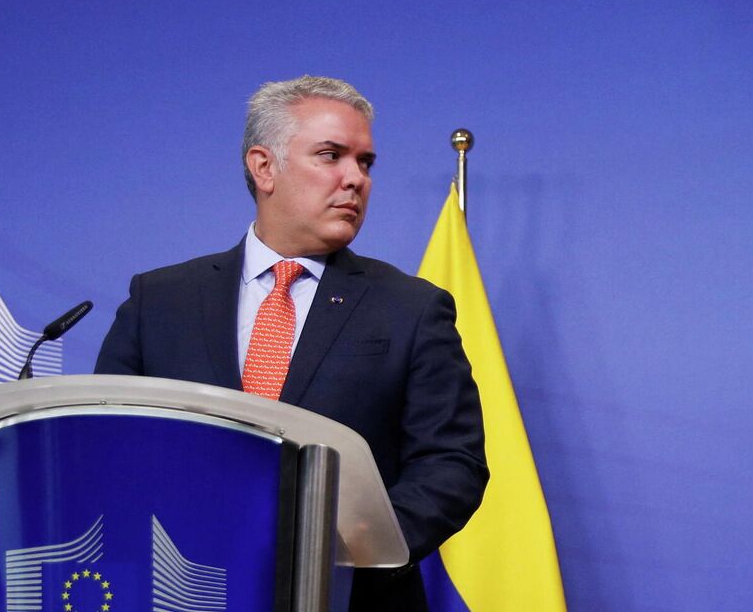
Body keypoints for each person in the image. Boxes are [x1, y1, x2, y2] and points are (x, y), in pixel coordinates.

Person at [96, 76, 487, 610]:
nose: (355, 179)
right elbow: (107, 445)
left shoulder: (412, 307)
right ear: (264, 167)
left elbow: (451, 463)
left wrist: (343, 548)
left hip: (352, 595)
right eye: (331, 155)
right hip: (178, 588)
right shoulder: (160, 300)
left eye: (366, 163)